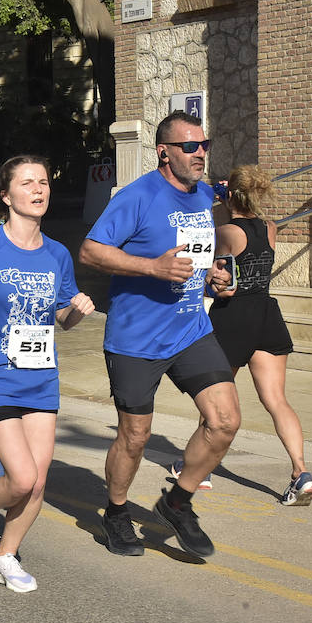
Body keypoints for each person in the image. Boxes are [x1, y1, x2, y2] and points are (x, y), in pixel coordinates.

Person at [78, 110, 238, 559]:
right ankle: (115, 513)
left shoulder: (204, 196)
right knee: (135, 435)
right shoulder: (138, 196)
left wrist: (214, 278)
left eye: (204, 144)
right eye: (190, 146)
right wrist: (152, 267)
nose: (200, 153)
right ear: (164, 152)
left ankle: (177, 501)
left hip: (190, 327)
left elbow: (198, 255)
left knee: (225, 421)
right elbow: (90, 250)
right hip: (136, 337)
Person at [0, 155, 95, 593]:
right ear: (6, 196)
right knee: (21, 476)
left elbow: (62, 317)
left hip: (41, 376)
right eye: (27, 183)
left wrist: (77, 310)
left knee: (39, 481)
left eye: (43, 182)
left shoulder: (57, 253)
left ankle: (5, 555)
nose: (39, 189)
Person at [187, 165, 312, 506]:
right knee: (277, 400)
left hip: (233, 318)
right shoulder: (269, 228)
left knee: (215, 397)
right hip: (266, 314)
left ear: (230, 194)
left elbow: (223, 282)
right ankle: (301, 472)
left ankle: (201, 469)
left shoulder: (226, 232)